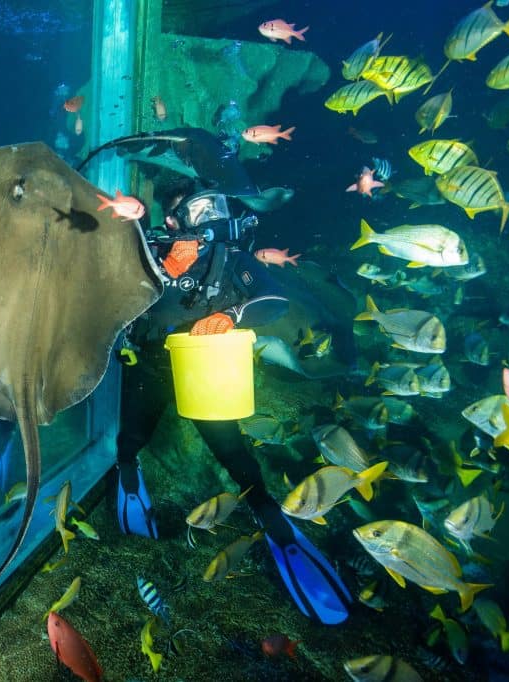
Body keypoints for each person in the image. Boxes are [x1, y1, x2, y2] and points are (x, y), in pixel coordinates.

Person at [113, 177, 353, 625]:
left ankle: (270, 516)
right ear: (171, 218)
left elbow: (274, 301)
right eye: (195, 211)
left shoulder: (230, 259)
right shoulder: (147, 249)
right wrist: (160, 264)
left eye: (211, 209)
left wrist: (231, 314)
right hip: (150, 367)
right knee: (131, 437)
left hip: (205, 369)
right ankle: (128, 473)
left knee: (231, 449)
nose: (207, 220)